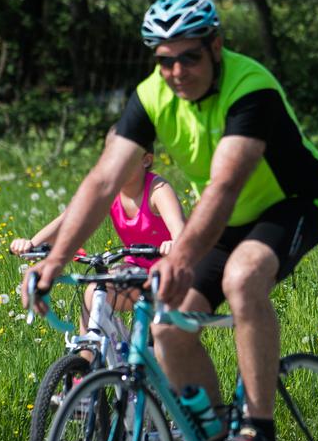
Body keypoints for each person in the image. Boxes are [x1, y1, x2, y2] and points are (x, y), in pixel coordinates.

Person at [22, 0, 318, 441]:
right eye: (165, 60)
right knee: (168, 329)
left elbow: (226, 185)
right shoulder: (153, 95)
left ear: (215, 46)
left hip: (290, 205)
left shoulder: (250, 86)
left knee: (242, 278)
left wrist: (179, 259)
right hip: (226, 222)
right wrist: (53, 260)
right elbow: (104, 180)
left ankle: (258, 430)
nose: (177, 72)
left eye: (189, 57)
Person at [11, 152, 187, 355]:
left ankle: (129, 358)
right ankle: (87, 373)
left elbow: (180, 230)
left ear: (145, 160)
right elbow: (70, 219)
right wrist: (31, 243)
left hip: (170, 271)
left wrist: (174, 243)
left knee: (166, 346)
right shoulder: (111, 191)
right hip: (136, 268)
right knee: (95, 291)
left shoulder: (158, 190)